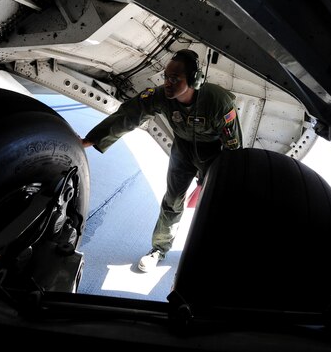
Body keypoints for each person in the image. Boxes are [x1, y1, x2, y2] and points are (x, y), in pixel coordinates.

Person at [81, 49, 242, 272]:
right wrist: (93, 138)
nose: (167, 83)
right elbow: (129, 115)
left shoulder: (218, 102)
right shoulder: (161, 97)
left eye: (175, 79)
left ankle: (216, 254)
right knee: (172, 201)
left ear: (194, 80)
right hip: (182, 151)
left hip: (213, 155)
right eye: (166, 77)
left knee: (216, 206)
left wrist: (218, 178)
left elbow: (233, 149)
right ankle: (159, 249)